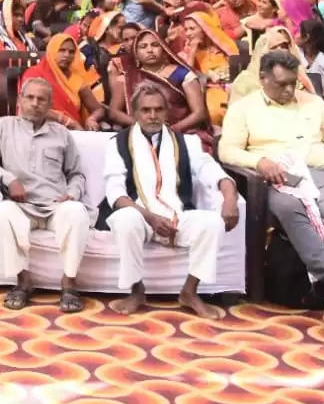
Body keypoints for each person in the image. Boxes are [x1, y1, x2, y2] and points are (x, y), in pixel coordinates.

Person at [218, 48, 324, 327]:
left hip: (320, 172)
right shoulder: (244, 108)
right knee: (291, 209)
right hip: (278, 177)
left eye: (293, 82)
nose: (289, 89)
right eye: (281, 84)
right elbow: (227, 150)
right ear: (263, 79)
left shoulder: (314, 103)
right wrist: (259, 161)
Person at [101, 84, 239, 318]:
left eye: (158, 110)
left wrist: (230, 197)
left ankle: (189, 291)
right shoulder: (117, 143)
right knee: (125, 219)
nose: (152, 116)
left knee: (212, 223)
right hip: (140, 217)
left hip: (177, 215)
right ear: (134, 113)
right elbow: (115, 194)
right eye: (146, 110)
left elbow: (211, 171)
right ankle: (136, 290)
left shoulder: (186, 142)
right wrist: (151, 218)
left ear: (167, 112)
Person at [0, 78, 92, 312]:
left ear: (49, 105)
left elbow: (76, 173)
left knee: (77, 212)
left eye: (41, 99)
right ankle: (22, 280)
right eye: (30, 97)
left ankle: (68, 284)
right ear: (20, 101)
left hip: (54, 207)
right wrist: (10, 179)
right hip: (22, 206)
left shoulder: (61, 134)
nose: (35, 103)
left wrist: (71, 193)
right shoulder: (3, 127)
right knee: (3, 211)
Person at [107, 29, 212, 149]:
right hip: (142, 134)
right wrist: (143, 126)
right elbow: (114, 112)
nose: (150, 50)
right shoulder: (127, 78)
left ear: (164, 49)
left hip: (182, 132)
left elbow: (199, 113)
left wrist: (170, 131)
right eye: (143, 46)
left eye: (155, 45)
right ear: (135, 52)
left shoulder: (183, 74)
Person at [21, 32, 103, 130]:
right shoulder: (35, 74)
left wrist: (92, 118)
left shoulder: (77, 78)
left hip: (72, 133)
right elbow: (29, 106)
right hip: (40, 129)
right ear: (52, 50)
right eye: (62, 50)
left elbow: (98, 109)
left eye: (71, 52)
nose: (67, 55)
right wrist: (65, 120)